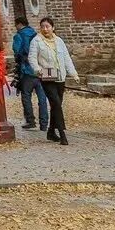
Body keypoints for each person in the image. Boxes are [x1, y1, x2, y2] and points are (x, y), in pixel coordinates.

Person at [28, 16, 79, 145]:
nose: (45, 29)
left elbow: (66, 58)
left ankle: (51, 131)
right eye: (42, 27)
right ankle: (62, 133)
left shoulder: (59, 41)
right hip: (47, 75)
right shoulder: (36, 41)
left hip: (60, 76)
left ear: (53, 27)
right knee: (55, 102)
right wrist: (38, 70)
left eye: (47, 26)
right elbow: (32, 58)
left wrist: (73, 73)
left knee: (57, 105)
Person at [12, 15, 49, 133]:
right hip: (41, 70)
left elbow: (16, 51)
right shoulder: (37, 35)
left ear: (19, 24)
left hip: (27, 70)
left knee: (26, 96)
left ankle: (30, 121)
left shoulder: (18, 36)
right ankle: (44, 123)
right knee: (42, 98)